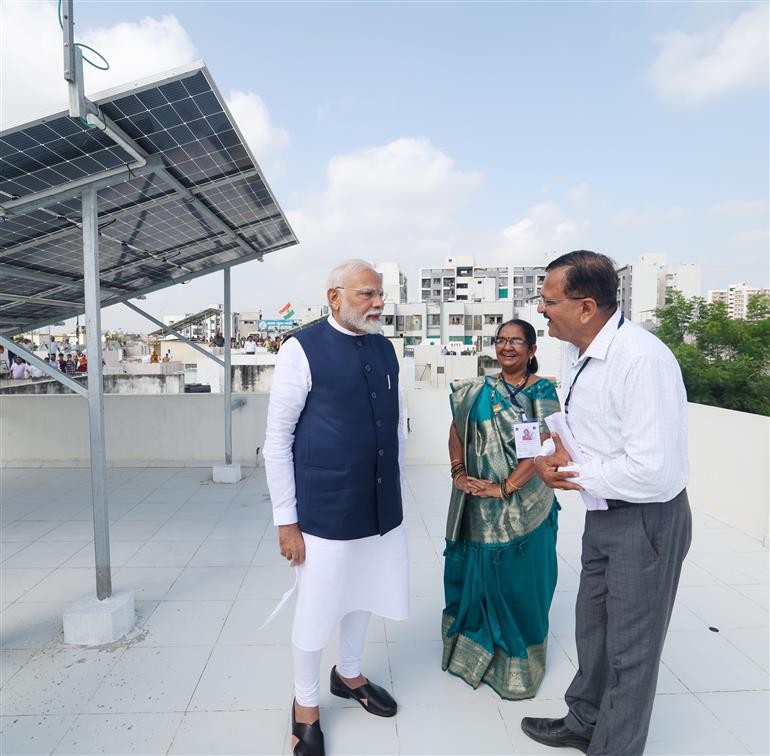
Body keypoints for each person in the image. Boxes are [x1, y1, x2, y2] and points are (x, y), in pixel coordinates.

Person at [521, 250, 691, 756]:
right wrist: (557, 454)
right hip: (603, 510)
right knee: (592, 628)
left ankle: (614, 747)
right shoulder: (575, 352)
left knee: (631, 649)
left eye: (549, 301)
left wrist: (569, 472)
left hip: (646, 518)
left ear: (587, 306)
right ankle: (584, 720)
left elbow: (653, 469)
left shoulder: (641, 360)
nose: (541, 310)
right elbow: (593, 433)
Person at [263, 259, 408, 756]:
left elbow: (394, 427)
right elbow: (277, 439)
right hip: (324, 509)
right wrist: (287, 520)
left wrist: (398, 491)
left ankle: (348, 674)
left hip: (379, 507)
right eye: (367, 294)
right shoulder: (300, 349)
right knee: (316, 609)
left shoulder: (385, 349)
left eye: (379, 294)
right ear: (334, 297)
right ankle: (305, 707)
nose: (378, 303)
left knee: (364, 593)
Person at [442, 319, 561, 699]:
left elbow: (545, 446)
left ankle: (518, 661)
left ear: (532, 349)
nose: (507, 347)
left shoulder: (542, 390)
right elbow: (456, 431)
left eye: (517, 341)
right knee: (477, 577)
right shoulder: (476, 390)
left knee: (521, 582)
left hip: (527, 504)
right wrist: (459, 473)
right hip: (478, 502)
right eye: (501, 340)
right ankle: (473, 651)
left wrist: (505, 488)